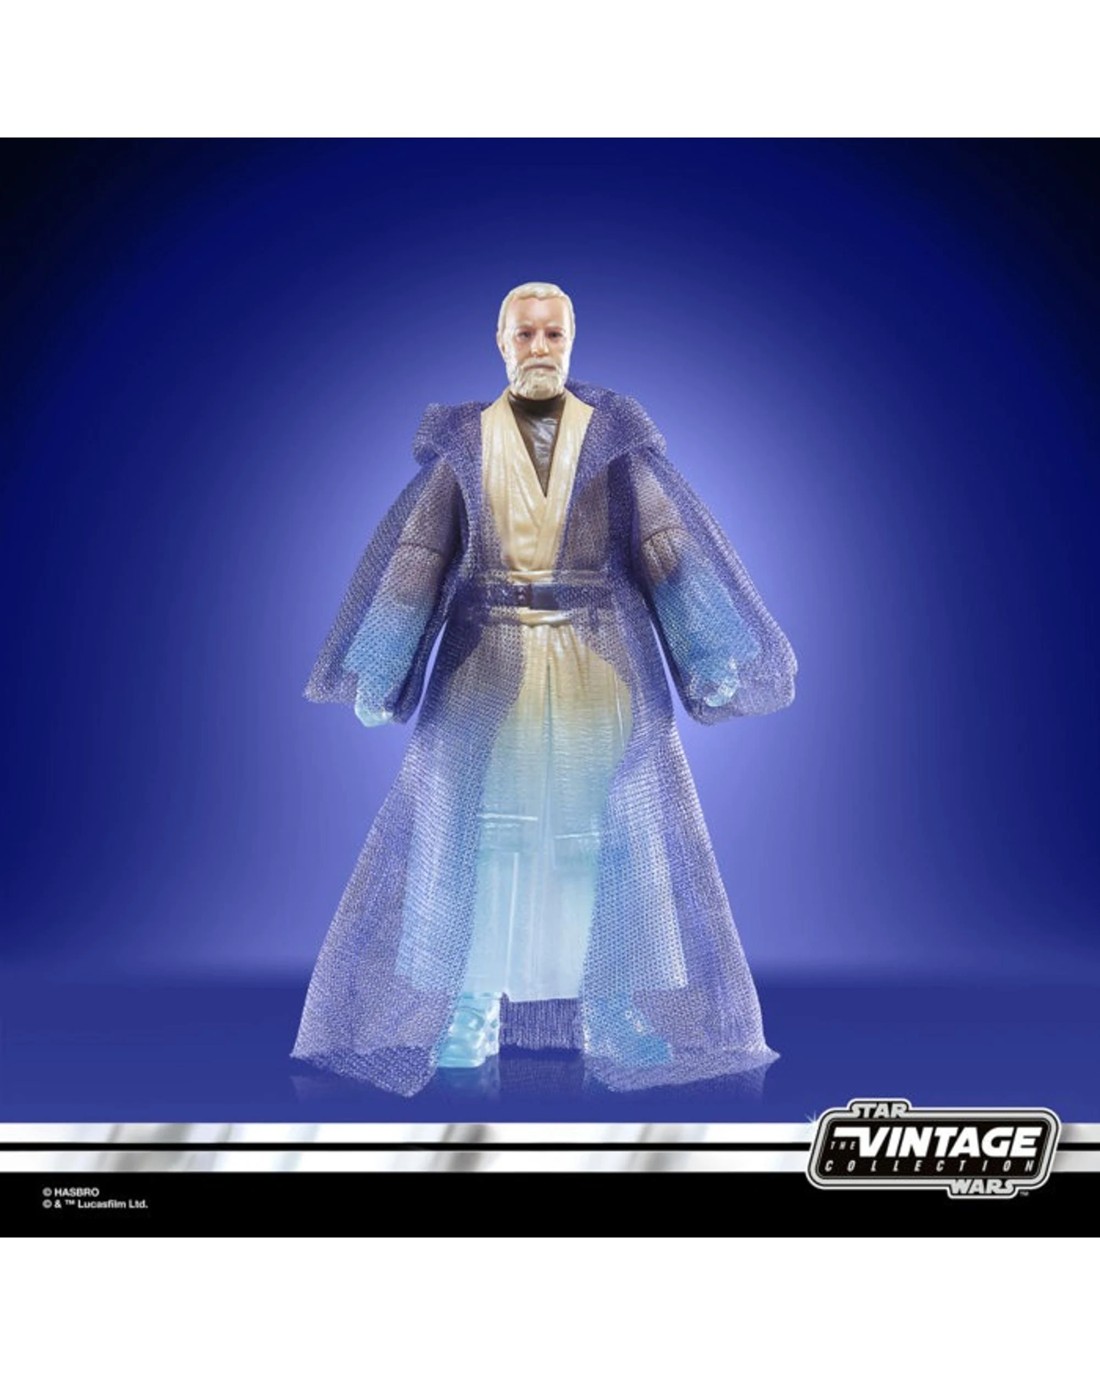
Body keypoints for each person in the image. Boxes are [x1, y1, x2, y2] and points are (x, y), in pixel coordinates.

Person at [291, 282, 797, 1096]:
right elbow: (421, 555)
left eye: (552, 332)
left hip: (597, 662)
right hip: (487, 665)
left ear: (571, 339)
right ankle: (469, 1002)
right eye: (524, 332)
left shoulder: (612, 439)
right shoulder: (465, 442)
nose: (539, 346)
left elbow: (664, 544)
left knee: (609, 837)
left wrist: (709, 646)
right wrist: (381, 661)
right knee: (479, 837)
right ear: (500, 342)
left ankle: (613, 1003)